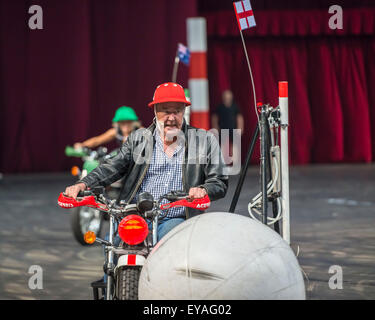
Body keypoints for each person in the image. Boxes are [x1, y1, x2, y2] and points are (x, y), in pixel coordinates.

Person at [65, 82, 228, 241]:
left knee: (167, 244)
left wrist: (204, 190)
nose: (171, 118)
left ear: (184, 112)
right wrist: (84, 184)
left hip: (177, 217)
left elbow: (219, 181)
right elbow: (112, 167)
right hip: (136, 215)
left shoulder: (204, 140)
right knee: (113, 246)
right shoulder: (138, 139)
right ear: (155, 111)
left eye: (177, 111)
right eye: (165, 111)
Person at [73, 106, 140, 149]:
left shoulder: (141, 131)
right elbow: (97, 140)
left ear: (134, 122)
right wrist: (83, 145)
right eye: (122, 122)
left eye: (128, 121)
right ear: (118, 123)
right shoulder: (116, 131)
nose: (126, 125)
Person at [211, 90, 244, 169]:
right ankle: (223, 163)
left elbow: (239, 117)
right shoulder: (220, 107)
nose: (227, 98)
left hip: (233, 129)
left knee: (235, 146)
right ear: (223, 98)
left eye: (229, 97)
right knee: (223, 146)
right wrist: (215, 127)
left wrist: (240, 128)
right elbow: (214, 117)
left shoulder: (235, 106)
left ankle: (235, 163)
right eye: (226, 97)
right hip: (223, 129)